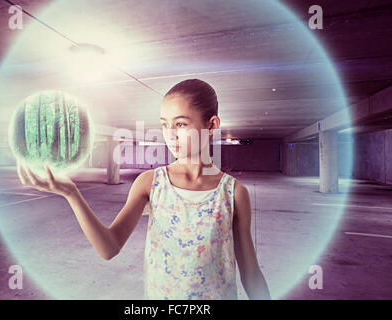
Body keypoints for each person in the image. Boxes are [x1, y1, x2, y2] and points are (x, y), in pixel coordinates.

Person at [17, 78, 271, 300]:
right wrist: (71, 194)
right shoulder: (150, 183)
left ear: (212, 125)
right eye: (164, 124)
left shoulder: (234, 193)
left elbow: (250, 272)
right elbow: (109, 248)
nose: (170, 135)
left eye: (181, 124)